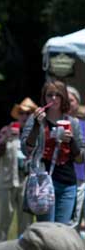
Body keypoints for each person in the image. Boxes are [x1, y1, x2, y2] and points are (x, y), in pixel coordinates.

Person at [22, 80, 83, 223]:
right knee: (46, 230)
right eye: (50, 95)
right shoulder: (36, 119)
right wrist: (37, 125)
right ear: (44, 98)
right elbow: (27, 150)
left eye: (58, 95)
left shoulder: (72, 122)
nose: (54, 98)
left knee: (61, 232)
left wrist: (71, 140)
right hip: (44, 182)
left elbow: (80, 158)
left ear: (64, 98)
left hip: (68, 183)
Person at [0, 97, 37, 250]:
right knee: (2, 221)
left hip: (27, 183)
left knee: (26, 223)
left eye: (28, 113)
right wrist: (6, 138)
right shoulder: (6, 130)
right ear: (17, 115)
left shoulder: (36, 133)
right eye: (22, 113)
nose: (24, 116)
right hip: (7, 182)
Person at [67, 86, 85, 231]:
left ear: (77, 103)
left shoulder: (83, 125)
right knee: (72, 220)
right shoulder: (57, 124)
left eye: (71, 100)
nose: (68, 102)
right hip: (71, 178)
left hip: (82, 175)